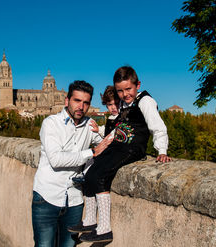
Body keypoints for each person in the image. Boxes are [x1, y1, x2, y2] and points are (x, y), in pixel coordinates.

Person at [68, 66, 171, 243]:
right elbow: (118, 129)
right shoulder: (123, 103)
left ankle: (104, 229)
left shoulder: (145, 102)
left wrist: (161, 150)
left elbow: (158, 127)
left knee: (100, 175)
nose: (124, 94)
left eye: (128, 89)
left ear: (137, 85)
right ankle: (90, 221)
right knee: (91, 171)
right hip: (119, 146)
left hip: (133, 148)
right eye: (120, 91)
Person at [32, 80, 113, 247]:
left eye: (86, 103)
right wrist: (91, 152)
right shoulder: (51, 123)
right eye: (77, 101)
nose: (81, 107)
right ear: (66, 100)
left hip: (75, 202)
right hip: (47, 198)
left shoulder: (90, 126)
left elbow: (105, 144)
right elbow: (56, 160)